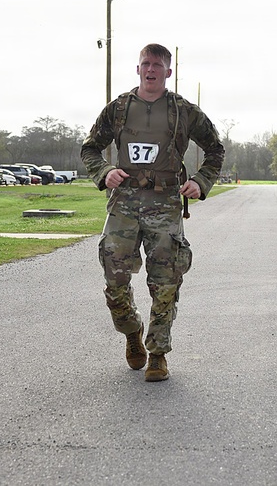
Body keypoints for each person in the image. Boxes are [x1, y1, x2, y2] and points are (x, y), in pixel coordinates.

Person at [81, 43, 224, 382]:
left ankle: (158, 353)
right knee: (114, 276)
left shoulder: (184, 112)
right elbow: (90, 148)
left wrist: (201, 182)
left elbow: (215, 149)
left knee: (166, 280)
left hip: (165, 204)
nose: (151, 69)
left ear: (168, 72)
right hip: (124, 203)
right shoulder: (118, 109)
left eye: (157, 65)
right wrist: (104, 172)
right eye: (146, 63)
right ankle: (132, 332)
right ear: (138, 69)